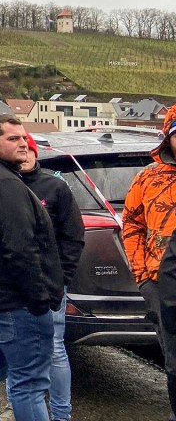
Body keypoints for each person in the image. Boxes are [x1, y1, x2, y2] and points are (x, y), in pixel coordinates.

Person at [0, 114, 63, 421]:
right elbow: (21, 248)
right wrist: (40, 300)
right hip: (15, 303)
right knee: (28, 385)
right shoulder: (6, 183)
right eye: (13, 138)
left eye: (24, 137)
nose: (23, 143)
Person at [0, 134, 84, 421]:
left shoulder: (56, 187)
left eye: (27, 152)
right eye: (18, 153)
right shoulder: (3, 185)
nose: (22, 158)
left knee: (55, 349)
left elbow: (74, 236)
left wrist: (62, 276)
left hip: (49, 283)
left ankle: (62, 413)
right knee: (16, 348)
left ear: (34, 153)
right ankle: (16, 405)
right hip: (12, 283)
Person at [122, 105, 176, 421]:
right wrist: (143, 277)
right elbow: (131, 223)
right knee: (173, 360)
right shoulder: (148, 177)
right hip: (161, 284)